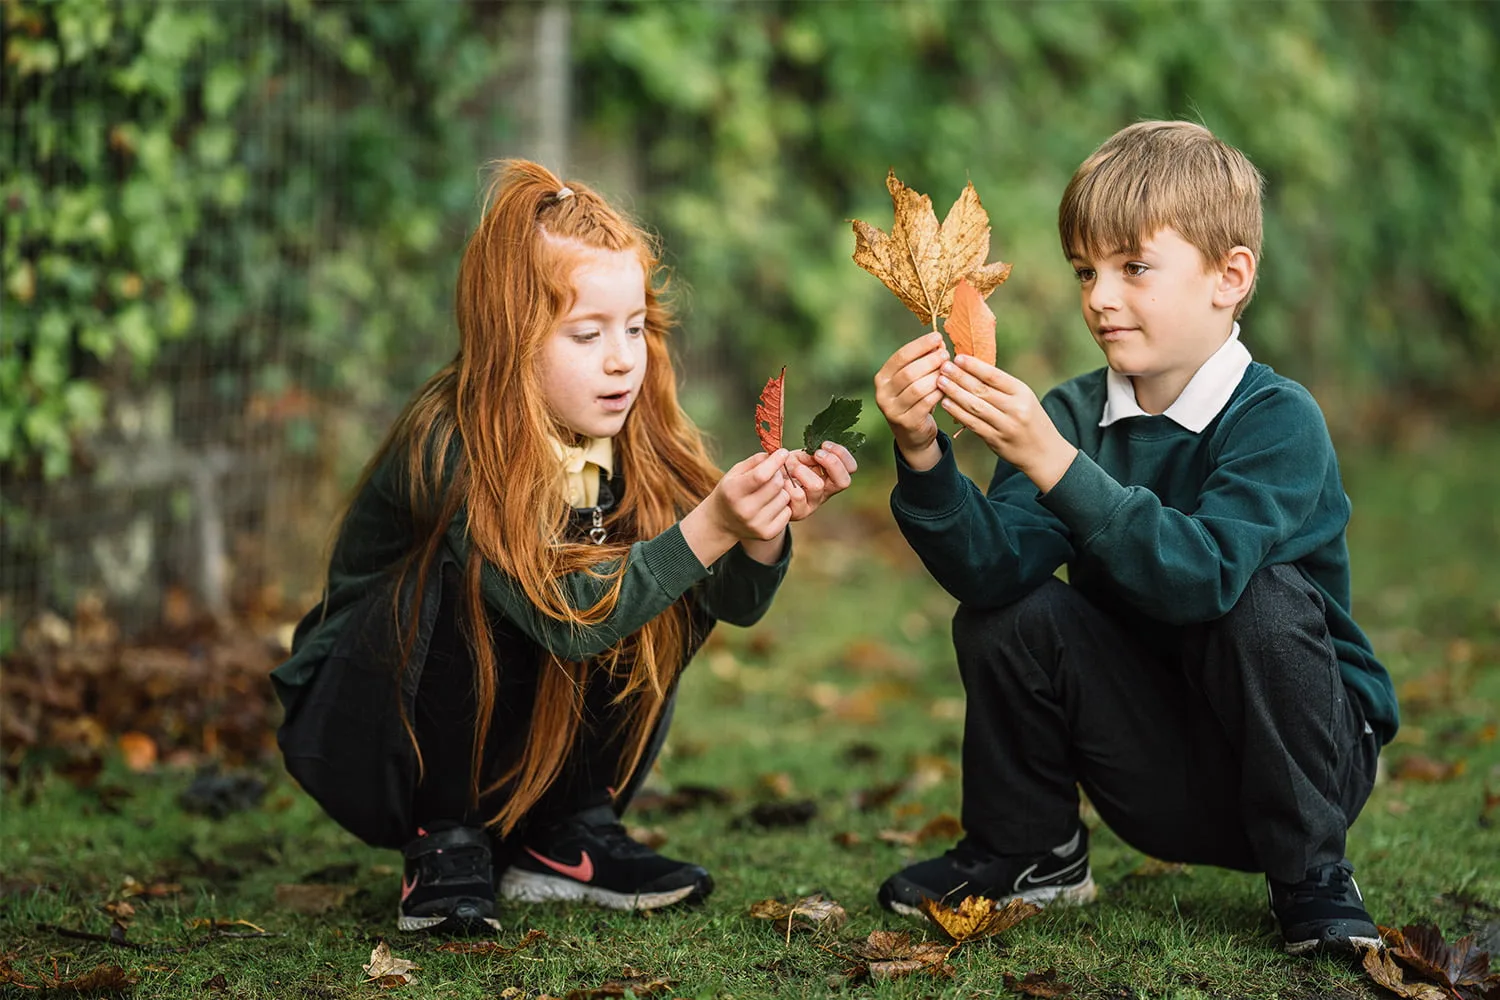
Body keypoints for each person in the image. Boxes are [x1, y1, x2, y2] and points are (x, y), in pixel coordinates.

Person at [271, 160, 858, 935]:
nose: (622, 359)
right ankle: (444, 843)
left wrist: (757, 531)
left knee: (661, 562)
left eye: (635, 327)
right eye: (587, 334)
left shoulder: (638, 427)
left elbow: (730, 604)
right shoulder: (452, 443)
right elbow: (564, 617)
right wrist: (707, 528)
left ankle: (566, 833)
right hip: (370, 726)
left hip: (515, 732)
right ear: (511, 338)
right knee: (470, 575)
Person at [870, 121, 1396, 956]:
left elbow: (1202, 576)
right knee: (1007, 613)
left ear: (1230, 277)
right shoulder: (1076, 414)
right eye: (1086, 270)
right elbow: (990, 569)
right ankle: (1030, 849)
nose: (1099, 297)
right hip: (1159, 767)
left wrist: (1053, 461)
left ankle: (1312, 875)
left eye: (1133, 267)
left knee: (1256, 595)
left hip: (1307, 767)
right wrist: (922, 451)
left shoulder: (1276, 418)